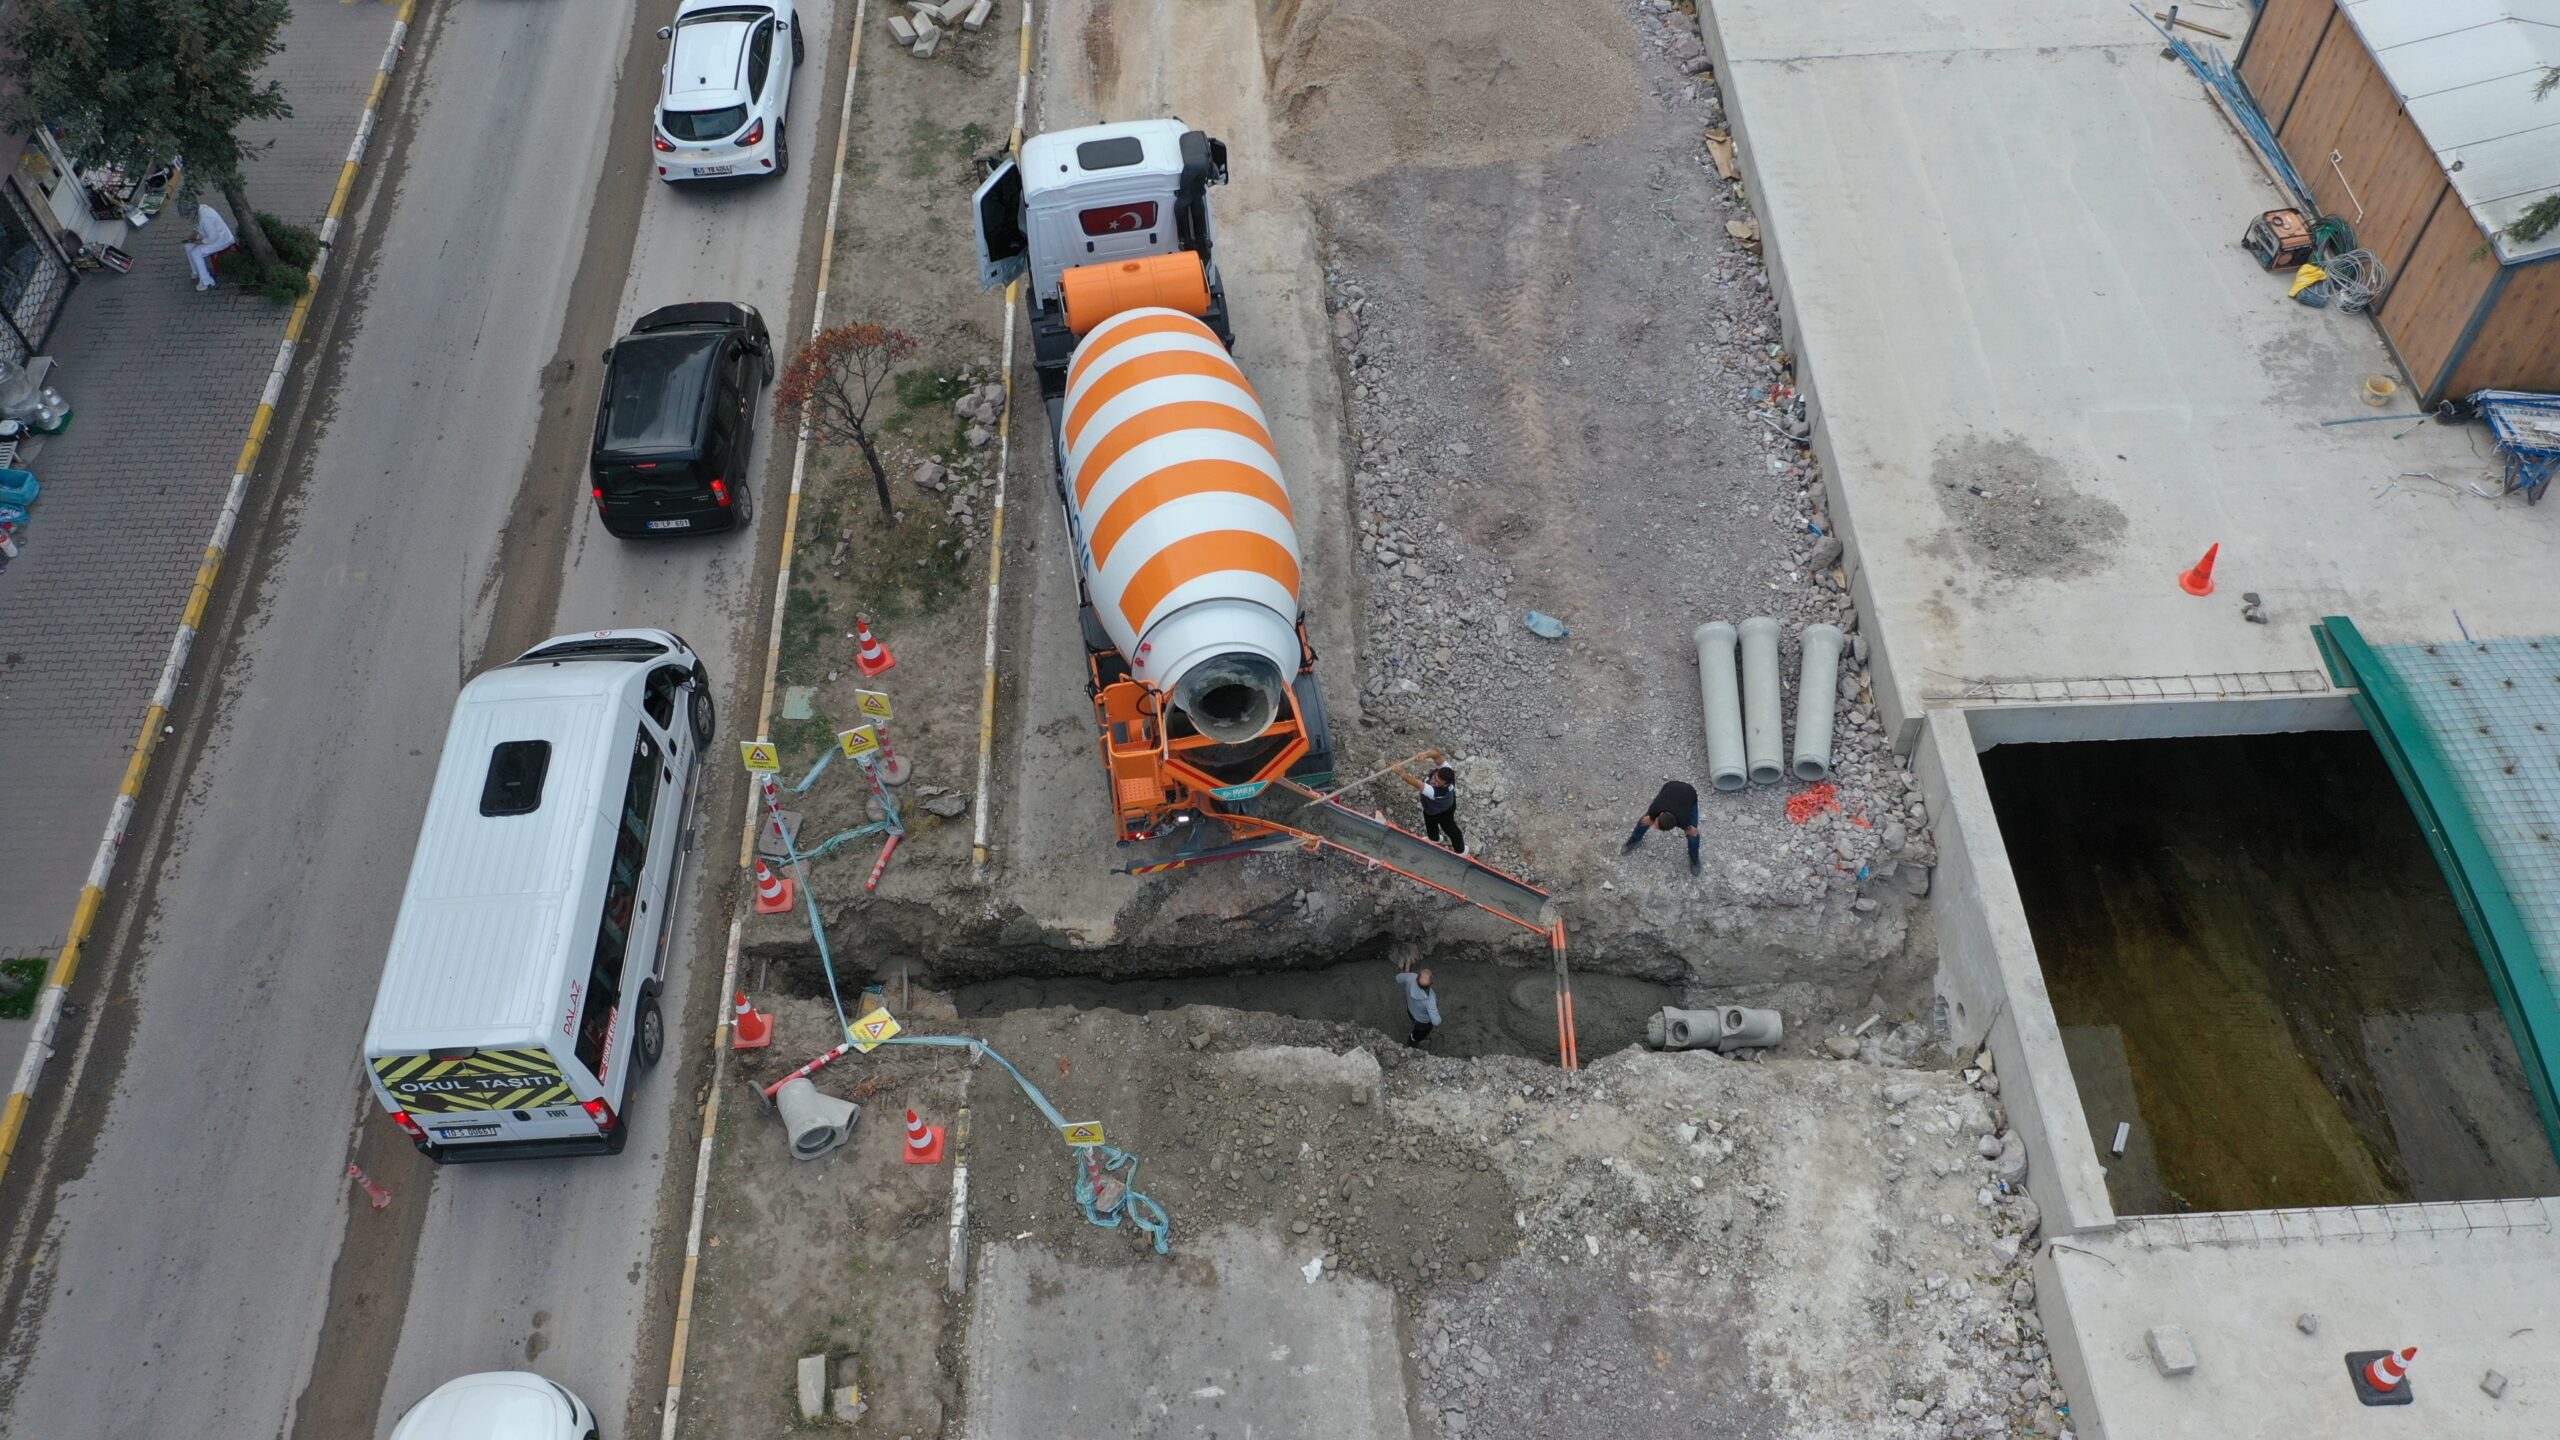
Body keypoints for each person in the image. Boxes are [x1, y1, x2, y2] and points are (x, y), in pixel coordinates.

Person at [1623, 778, 1702, 875]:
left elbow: (1693, 831)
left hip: (1690, 793)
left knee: (1692, 837)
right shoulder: (1655, 809)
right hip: (1671, 787)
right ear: (1660, 814)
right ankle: (1634, 839)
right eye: (1656, 823)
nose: (1654, 825)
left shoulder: (1684, 821)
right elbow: (1650, 818)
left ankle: (1694, 857)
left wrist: (1694, 831)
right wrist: (1651, 819)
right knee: (1645, 821)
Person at [1394, 751, 1464, 854]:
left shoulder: (1437, 792)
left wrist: (1401, 773)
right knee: (1429, 820)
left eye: (1437, 782)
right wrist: (1425, 755)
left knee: (1450, 829)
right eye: (1435, 777)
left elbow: (1417, 784)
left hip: (1443, 811)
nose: (1433, 781)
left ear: (1445, 784)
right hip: (1433, 808)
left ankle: (1460, 851)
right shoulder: (1447, 771)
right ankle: (1434, 839)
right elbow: (1437, 754)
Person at [185, 203, 234, 291]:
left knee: (196, 253)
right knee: (188, 245)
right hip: (211, 236)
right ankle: (196, 271)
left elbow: (213, 238)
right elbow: (198, 226)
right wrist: (194, 234)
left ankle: (207, 281)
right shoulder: (200, 209)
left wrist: (200, 242)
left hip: (221, 240)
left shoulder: (205, 218)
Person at [1395, 957, 1441, 1047]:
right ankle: (1412, 1043)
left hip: (1410, 1011)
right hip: (1422, 1022)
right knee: (1419, 1033)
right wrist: (1438, 1018)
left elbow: (1398, 978)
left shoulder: (1411, 978)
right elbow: (1436, 1021)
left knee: (1415, 1023)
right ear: (1431, 984)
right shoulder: (1429, 1000)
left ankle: (1413, 1037)